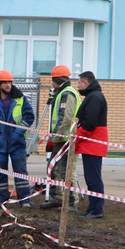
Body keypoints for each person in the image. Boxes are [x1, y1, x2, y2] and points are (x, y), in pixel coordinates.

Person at [0, 70, 35, 207]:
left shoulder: (20, 98)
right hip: (0, 142)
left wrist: (18, 133)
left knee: (21, 171)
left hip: (17, 142)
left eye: (9, 82)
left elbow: (29, 117)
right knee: (0, 171)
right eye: (5, 82)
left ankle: (25, 200)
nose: (8, 85)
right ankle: (1, 199)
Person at [40, 65, 81, 210]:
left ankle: (71, 202)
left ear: (57, 79)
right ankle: (56, 198)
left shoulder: (67, 94)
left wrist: (53, 138)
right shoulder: (62, 92)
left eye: (53, 80)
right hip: (61, 140)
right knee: (53, 169)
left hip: (68, 140)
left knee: (66, 171)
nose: (52, 83)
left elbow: (65, 119)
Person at [75, 71, 108, 219]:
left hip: (92, 143)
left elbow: (89, 123)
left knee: (93, 178)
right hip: (90, 143)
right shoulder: (93, 96)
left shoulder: (94, 97)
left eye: (79, 83)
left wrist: (77, 137)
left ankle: (96, 209)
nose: (78, 86)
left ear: (85, 83)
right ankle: (92, 207)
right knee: (91, 177)